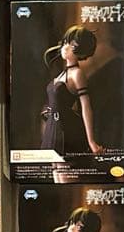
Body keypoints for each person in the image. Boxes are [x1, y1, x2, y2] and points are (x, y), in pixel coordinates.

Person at [40, 26, 105, 171]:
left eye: (72, 44)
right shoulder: (63, 74)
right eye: (65, 42)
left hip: (66, 129)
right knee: (56, 171)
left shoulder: (77, 74)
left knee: (63, 172)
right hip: (53, 127)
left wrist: (91, 141)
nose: (65, 47)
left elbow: (86, 107)